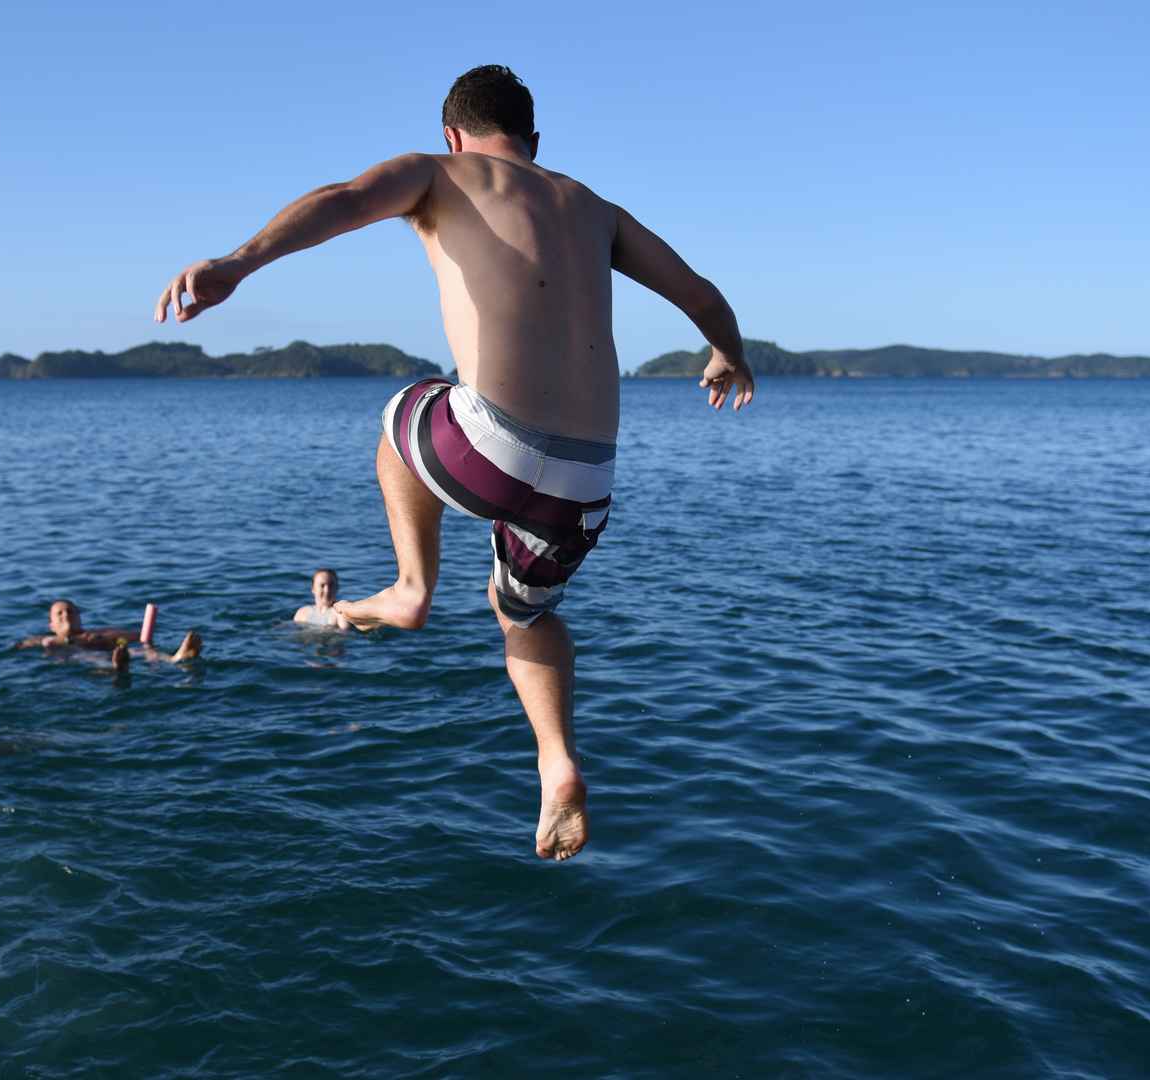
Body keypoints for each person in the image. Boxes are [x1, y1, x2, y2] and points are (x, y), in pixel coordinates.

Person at [154, 64, 755, 860]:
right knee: (525, 615)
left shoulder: (437, 172)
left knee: (404, 405)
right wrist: (727, 355)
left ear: (452, 134)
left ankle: (409, 588)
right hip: (586, 482)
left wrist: (238, 262)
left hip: (488, 446)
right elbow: (704, 294)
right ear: (535, 143)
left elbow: (338, 201)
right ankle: (558, 764)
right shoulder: (597, 210)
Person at [16, 599, 201, 667]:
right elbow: (20, 647)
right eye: (60, 613)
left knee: (141, 651)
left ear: (80, 617)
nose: (66, 615)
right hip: (76, 656)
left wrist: (142, 640)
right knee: (84, 657)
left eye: (71, 611)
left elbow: (137, 637)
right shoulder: (47, 639)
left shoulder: (98, 633)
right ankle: (116, 666)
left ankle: (175, 658)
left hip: (107, 650)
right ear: (51, 625)